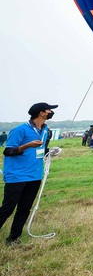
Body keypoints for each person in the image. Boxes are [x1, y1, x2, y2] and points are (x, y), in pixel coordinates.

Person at [0, 102, 56, 244]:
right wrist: (27, 145)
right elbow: (8, 151)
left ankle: (13, 238)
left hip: (35, 175)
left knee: (25, 208)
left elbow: (41, 150)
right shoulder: (20, 130)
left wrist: (50, 152)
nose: (51, 112)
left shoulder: (45, 129)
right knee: (7, 208)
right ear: (41, 113)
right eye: (49, 110)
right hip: (17, 176)